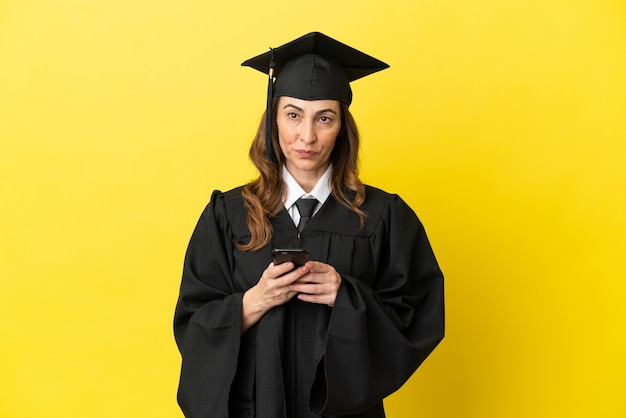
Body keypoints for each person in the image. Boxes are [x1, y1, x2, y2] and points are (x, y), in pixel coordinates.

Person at [173, 32, 445, 418]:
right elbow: (192, 322)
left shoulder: (385, 216)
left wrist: (346, 296)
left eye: (325, 118)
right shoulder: (228, 213)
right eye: (293, 115)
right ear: (274, 120)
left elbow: (418, 318)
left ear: (342, 128)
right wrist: (252, 303)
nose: (307, 136)